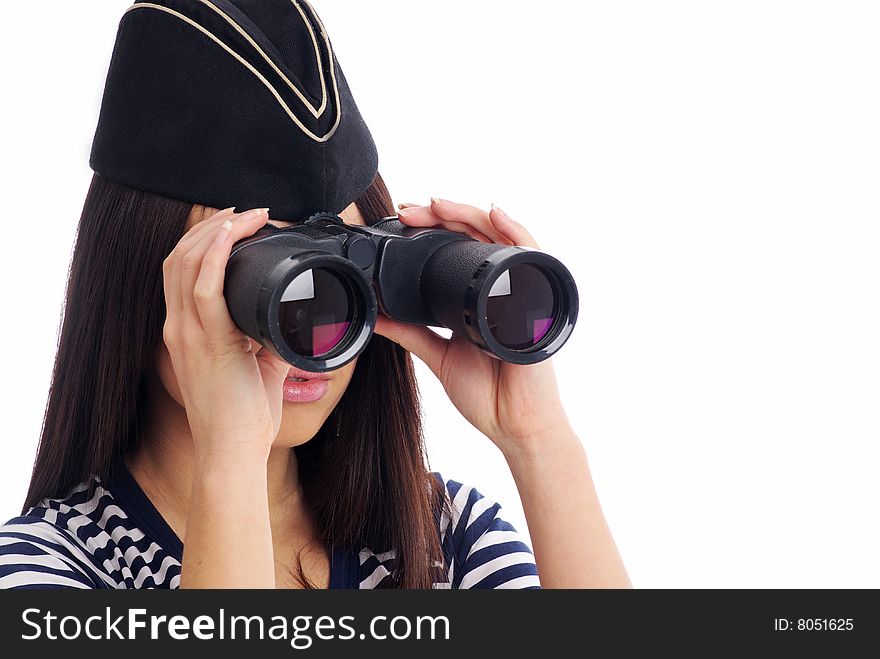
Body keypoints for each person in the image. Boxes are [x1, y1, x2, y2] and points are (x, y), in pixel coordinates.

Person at [0, 0, 630, 589]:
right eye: (261, 283)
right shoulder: (47, 566)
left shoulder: (442, 539)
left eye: (338, 279)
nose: (310, 333)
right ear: (138, 283)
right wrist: (232, 455)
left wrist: (538, 439)